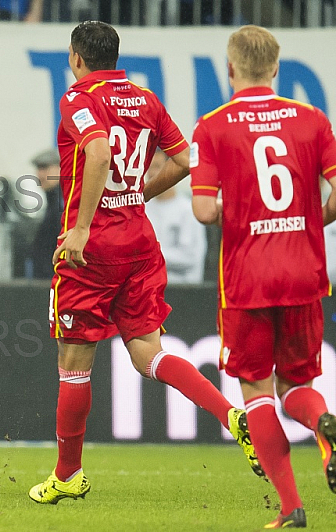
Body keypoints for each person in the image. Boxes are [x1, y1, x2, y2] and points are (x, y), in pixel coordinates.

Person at [28, 21, 263, 505]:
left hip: (93, 250)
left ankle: (68, 475)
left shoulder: (78, 98)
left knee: (74, 364)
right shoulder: (145, 99)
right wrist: (137, 195)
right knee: (148, 354)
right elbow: (185, 161)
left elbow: (98, 153)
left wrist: (82, 227)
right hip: (139, 242)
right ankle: (231, 415)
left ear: (76, 58)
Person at [190, 25, 336, 529]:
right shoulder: (312, 119)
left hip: (248, 278)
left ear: (230, 69)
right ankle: (322, 423)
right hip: (304, 274)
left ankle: (292, 508)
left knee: (256, 392)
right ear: (276, 68)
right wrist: (312, 218)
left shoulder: (212, 126)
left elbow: (203, 211)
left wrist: (239, 211)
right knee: (298, 385)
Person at [144, 149, 206, 284]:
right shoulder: (142, 208)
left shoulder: (188, 209)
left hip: (181, 289)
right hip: (147, 288)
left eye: (157, 167)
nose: (152, 174)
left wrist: (149, 254)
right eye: (149, 168)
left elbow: (190, 257)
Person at [27, 148, 64, 280]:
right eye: (38, 169)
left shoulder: (63, 202)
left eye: (44, 168)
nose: (39, 174)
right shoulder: (53, 201)